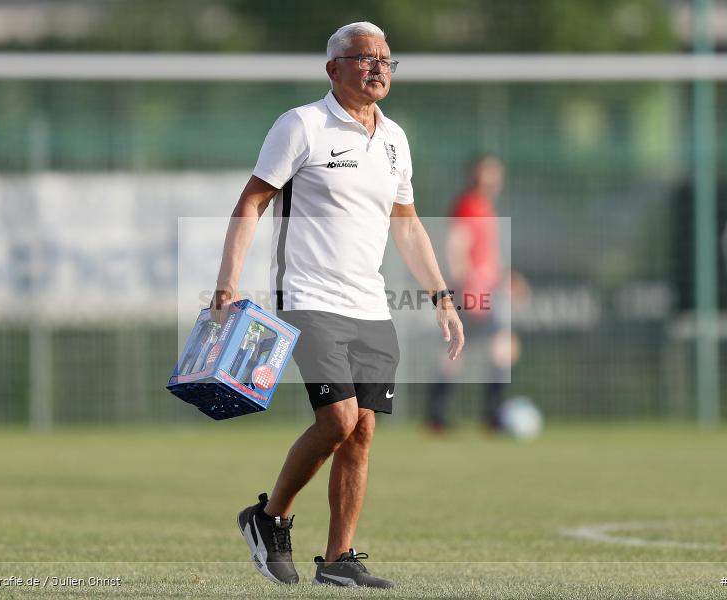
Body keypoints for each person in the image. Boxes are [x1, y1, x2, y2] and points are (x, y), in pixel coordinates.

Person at [209, 22, 464, 589]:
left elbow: (408, 225)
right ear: (333, 69)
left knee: (363, 430)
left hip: (370, 303)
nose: (377, 67)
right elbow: (251, 201)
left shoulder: (395, 138)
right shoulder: (302, 125)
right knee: (339, 419)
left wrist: (443, 298)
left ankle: (338, 559)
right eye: (363, 58)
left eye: (386, 60)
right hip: (308, 297)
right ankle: (269, 518)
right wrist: (228, 280)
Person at [425, 156, 527, 432]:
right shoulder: (469, 204)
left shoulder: (485, 207)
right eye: (487, 173)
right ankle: (487, 416)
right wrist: (464, 286)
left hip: (482, 291)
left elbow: (486, 257)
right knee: (494, 345)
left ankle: (440, 416)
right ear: (475, 175)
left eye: (496, 173)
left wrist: (505, 279)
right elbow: (456, 247)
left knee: (461, 350)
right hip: (471, 294)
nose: (493, 179)